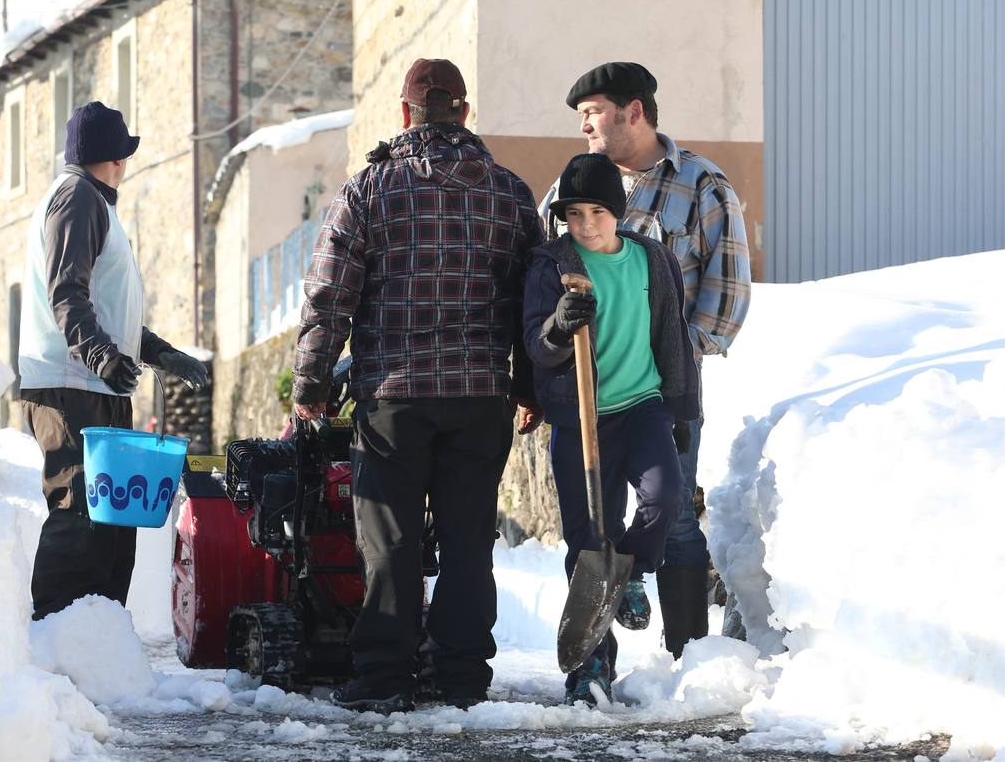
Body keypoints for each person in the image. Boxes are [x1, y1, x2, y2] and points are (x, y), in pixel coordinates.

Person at [292, 58, 544, 713]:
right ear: (464, 112)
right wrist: (528, 382)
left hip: (394, 398)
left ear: (405, 114)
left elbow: (328, 298)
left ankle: (384, 678)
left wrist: (312, 384)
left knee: (392, 540)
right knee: (467, 540)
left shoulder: (370, 189)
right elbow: (530, 297)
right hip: (481, 393)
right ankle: (460, 679)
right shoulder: (510, 194)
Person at [538, 62, 751, 657]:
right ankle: (591, 664)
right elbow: (539, 275)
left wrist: (674, 360)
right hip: (579, 389)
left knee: (675, 512)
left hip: (660, 392)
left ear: (634, 111)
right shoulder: (570, 187)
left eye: (593, 112)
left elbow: (726, 290)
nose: (584, 126)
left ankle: (687, 658)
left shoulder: (701, 183)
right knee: (590, 525)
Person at [18, 101, 209, 620]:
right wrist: (103, 357)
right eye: (124, 154)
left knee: (108, 517)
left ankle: (97, 639)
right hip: (71, 384)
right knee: (79, 511)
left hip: (92, 383)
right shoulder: (78, 199)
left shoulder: (93, 203)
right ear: (115, 158)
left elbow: (106, 308)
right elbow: (67, 293)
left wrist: (160, 353)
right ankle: (56, 635)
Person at [525, 152, 700, 704]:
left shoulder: (652, 260)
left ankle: (632, 573)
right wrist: (558, 326)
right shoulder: (551, 267)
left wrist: (682, 414)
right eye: (573, 214)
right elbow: (534, 343)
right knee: (587, 541)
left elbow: (675, 341)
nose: (585, 225)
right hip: (580, 417)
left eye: (597, 212)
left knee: (666, 495)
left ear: (617, 212)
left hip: (643, 405)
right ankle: (590, 668)